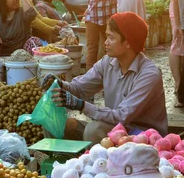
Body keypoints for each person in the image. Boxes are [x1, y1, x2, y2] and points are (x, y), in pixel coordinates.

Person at [46, 12, 167, 143]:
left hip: (142, 138)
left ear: (127, 42)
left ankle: (95, 162)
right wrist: (60, 84)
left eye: (111, 37)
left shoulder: (149, 75)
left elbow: (121, 116)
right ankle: (65, 162)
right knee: (53, 122)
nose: (105, 42)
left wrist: (80, 105)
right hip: (116, 129)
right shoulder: (108, 62)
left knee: (94, 130)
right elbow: (80, 88)